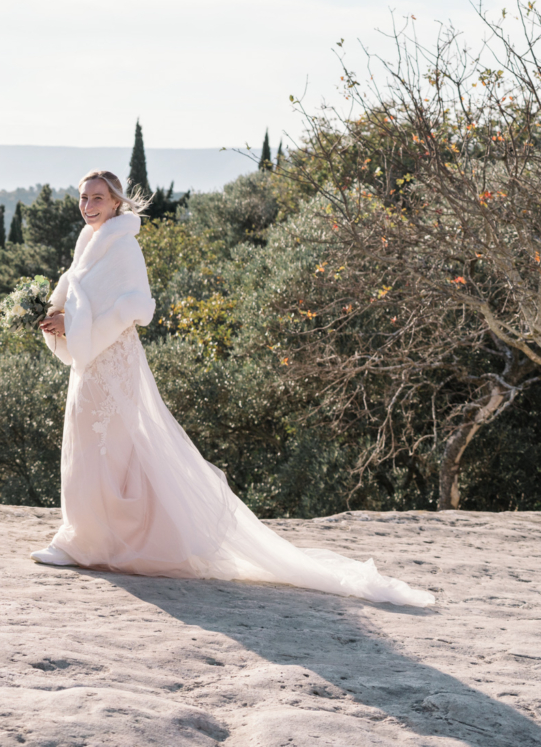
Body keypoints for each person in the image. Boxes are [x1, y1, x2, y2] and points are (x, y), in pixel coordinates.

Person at [32, 170, 433, 607]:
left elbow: (132, 308)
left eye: (96, 198)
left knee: (113, 447)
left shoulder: (124, 245)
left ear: (115, 202)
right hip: (90, 362)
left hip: (114, 361)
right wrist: (55, 318)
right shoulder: (86, 242)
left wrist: (76, 324)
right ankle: (84, 538)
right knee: (86, 443)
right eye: (83, 198)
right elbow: (76, 294)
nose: (88, 205)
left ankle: (98, 542)